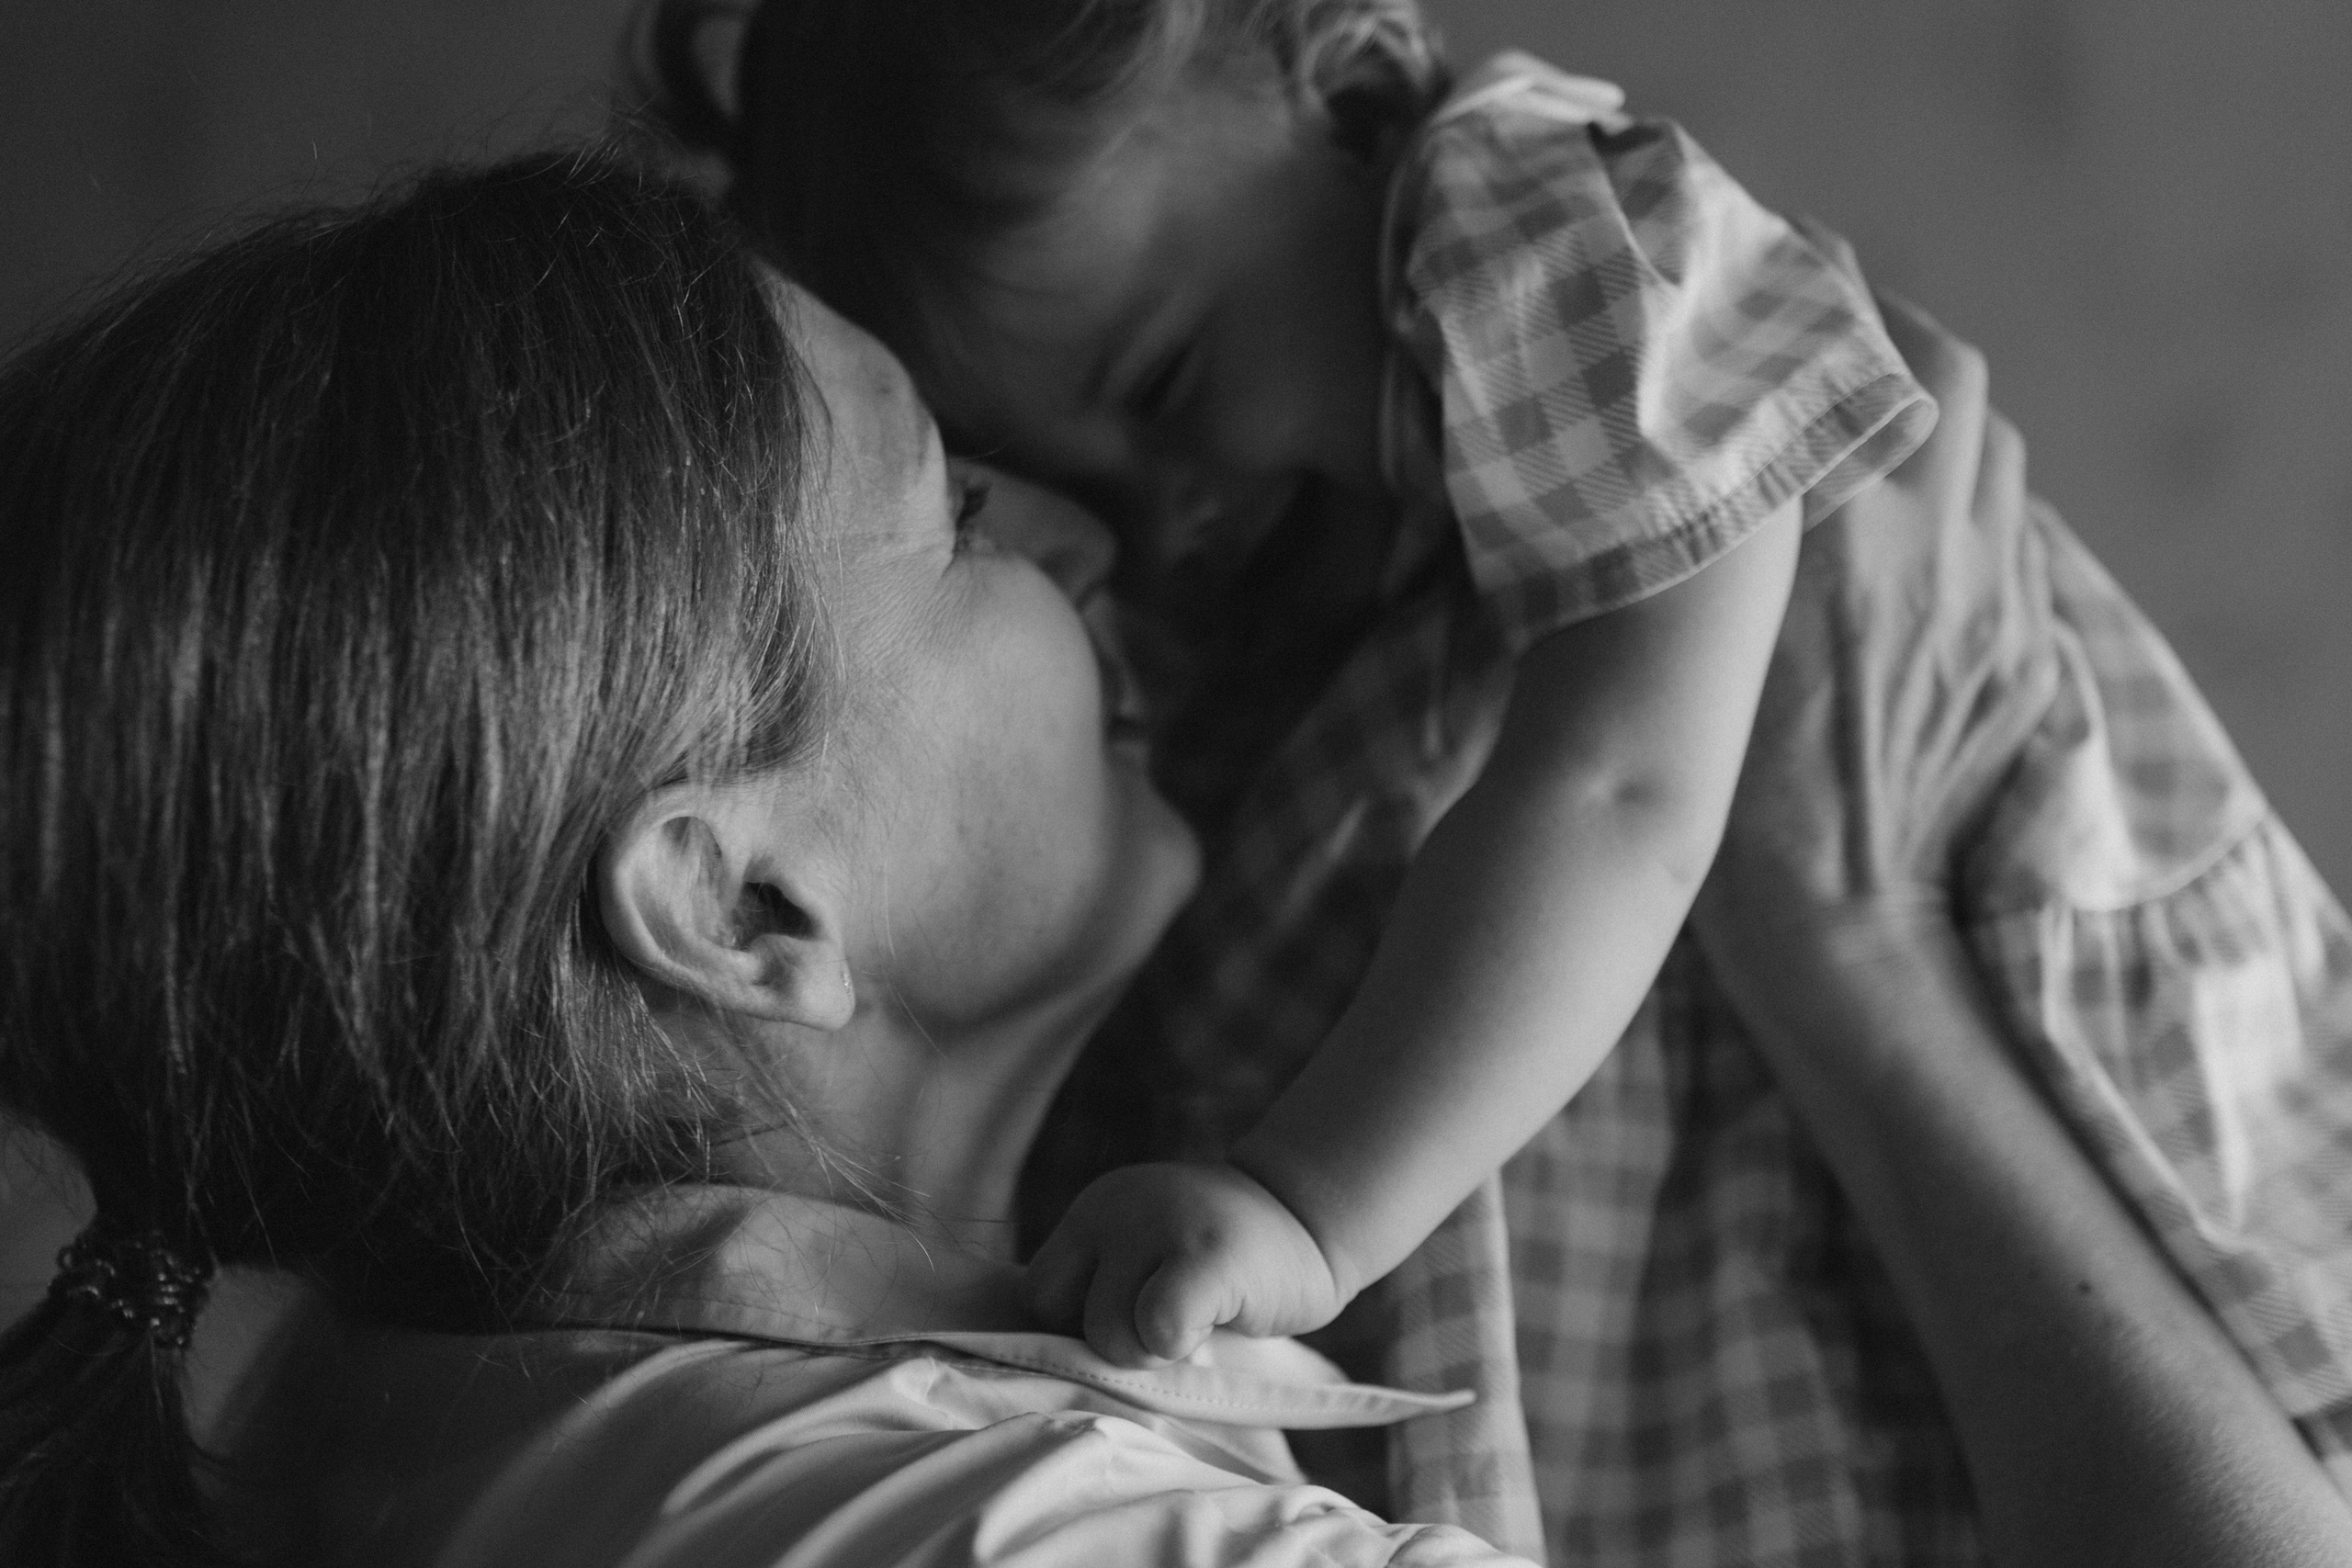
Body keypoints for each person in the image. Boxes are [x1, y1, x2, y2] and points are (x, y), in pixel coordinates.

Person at [0, 144, 2346, 1567]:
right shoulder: (1011, 1534)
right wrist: (1856, 961)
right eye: (956, 511)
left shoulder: (502, 1459)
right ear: (739, 903)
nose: (1092, 537)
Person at [649, 1, 2352, 1558]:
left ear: (1361, 88)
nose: (1161, 517)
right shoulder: (1280, 603)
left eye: (1168, 387)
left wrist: (1306, 1209)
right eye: (1032, 476)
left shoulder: (1558, 226)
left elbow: (1624, 795)